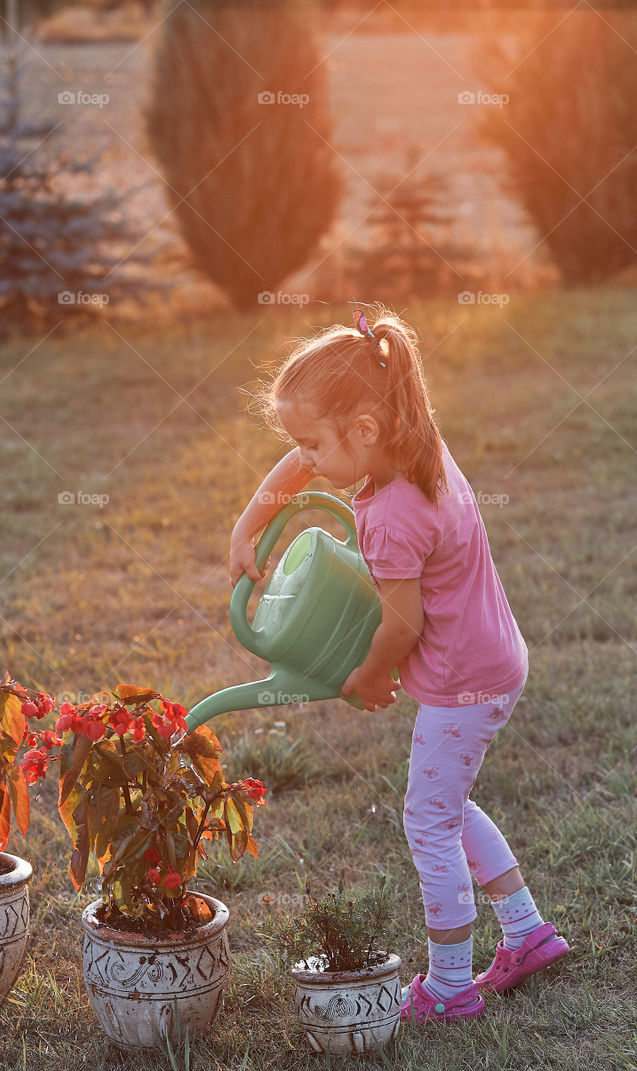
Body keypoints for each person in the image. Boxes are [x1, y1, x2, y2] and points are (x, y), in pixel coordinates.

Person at [229, 308, 570, 1022]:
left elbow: (402, 622)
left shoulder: (390, 517)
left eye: (312, 443)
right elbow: (303, 463)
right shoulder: (417, 443)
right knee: (448, 805)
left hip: (461, 685)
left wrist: (371, 675)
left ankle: (448, 987)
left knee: (426, 822)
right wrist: (249, 523)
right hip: (492, 662)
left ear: (363, 432)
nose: (305, 459)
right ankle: (527, 933)